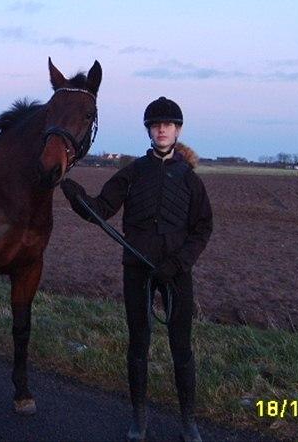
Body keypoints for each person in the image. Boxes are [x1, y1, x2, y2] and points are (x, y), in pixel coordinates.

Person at [60, 97, 213, 442]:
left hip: (175, 274)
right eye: (156, 124)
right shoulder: (132, 173)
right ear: (148, 130)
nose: (162, 129)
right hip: (137, 270)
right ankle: (139, 417)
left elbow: (203, 228)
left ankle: (188, 420)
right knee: (138, 344)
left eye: (168, 124)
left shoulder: (190, 180)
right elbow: (100, 209)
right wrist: (76, 196)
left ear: (178, 130)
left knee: (181, 348)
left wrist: (177, 263)